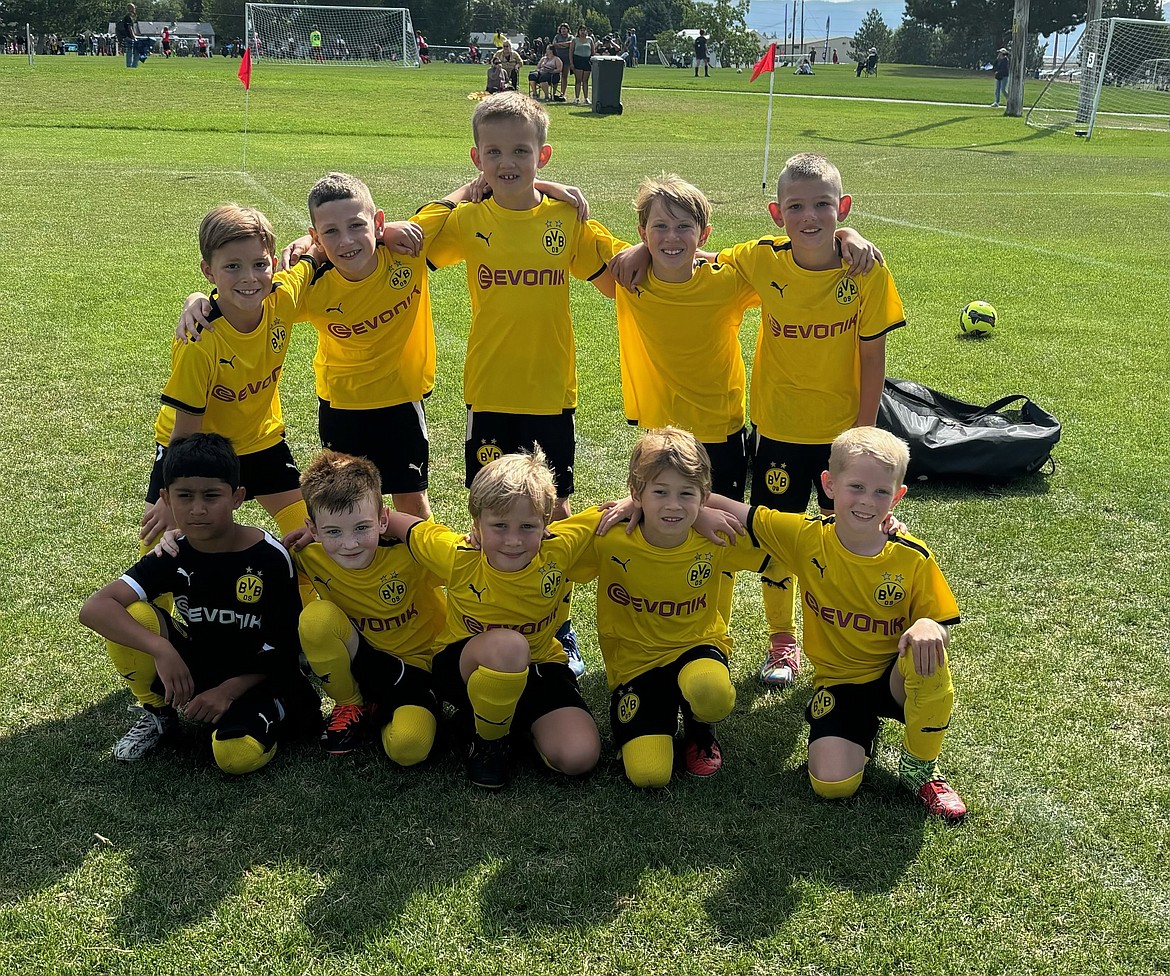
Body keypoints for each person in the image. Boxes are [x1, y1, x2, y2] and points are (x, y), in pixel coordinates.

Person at [412, 92, 621, 676]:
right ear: (476, 157)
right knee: (490, 511)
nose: (509, 160)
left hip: (551, 395)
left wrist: (570, 204)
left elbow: (617, 277)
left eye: (521, 150)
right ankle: (484, 612)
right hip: (490, 392)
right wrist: (460, 192)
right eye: (495, 151)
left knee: (550, 514)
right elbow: (410, 242)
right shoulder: (469, 220)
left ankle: (557, 623)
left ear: (543, 155)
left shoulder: (564, 220)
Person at [703, 427, 967, 822]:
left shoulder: (911, 556)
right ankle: (860, 730)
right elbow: (721, 504)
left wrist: (929, 624)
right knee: (832, 784)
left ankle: (920, 772)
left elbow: (940, 621)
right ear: (829, 484)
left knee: (927, 653)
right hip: (840, 682)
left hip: (895, 678)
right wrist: (645, 501)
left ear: (898, 496)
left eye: (881, 492)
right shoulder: (805, 537)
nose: (866, 501)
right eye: (856, 487)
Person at [713, 153, 902, 691]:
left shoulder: (864, 268)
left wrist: (863, 436)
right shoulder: (761, 260)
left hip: (843, 433)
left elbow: (872, 357)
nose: (810, 217)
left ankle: (836, 643)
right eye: (796, 206)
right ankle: (782, 639)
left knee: (848, 536)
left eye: (823, 205)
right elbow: (696, 258)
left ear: (842, 208)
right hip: (778, 428)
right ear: (777, 214)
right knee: (780, 537)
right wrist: (643, 248)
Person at [179, 174, 455, 524]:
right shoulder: (312, 285)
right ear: (316, 238)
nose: (347, 241)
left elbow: (459, 201)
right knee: (344, 506)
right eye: (331, 232)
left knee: (413, 502)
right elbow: (252, 297)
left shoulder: (407, 250)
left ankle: (423, 578)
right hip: (342, 406)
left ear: (377, 222)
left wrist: (389, 232)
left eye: (357, 226)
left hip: (402, 399)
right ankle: (350, 578)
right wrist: (199, 299)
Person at [79, 433, 320, 772]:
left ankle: (264, 715)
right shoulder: (174, 550)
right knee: (135, 615)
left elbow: (285, 647)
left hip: (260, 676)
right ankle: (157, 713)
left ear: (237, 497)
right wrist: (162, 650)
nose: (197, 509)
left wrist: (227, 691)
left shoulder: (268, 558)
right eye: (184, 496)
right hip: (199, 666)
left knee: (235, 757)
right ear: (166, 498)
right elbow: (94, 608)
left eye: (211, 495)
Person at [383, 449, 605, 789]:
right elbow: (405, 524)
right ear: (477, 526)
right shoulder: (457, 556)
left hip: (538, 664)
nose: (513, 540)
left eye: (527, 526)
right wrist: (326, 533)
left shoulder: (561, 547)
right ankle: (487, 742)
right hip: (462, 668)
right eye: (499, 526)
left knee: (578, 757)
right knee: (508, 646)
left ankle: (507, 722)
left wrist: (699, 515)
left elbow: (624, 509)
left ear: (546, 526)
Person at [570, 428, 771, 786]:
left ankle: (699, 726)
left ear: (704, 495)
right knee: (649, 774)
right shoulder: (607, 531)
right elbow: (541, 541)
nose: (673, 505)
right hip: (635, 663)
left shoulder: (717, 533)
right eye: (660, 492)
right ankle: (655, 713)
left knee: (710, 692)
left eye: (686, 494)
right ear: (636, 493)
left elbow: (793, 549)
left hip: (696, 647)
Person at [141, 205, 320, 556]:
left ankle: (306, 606)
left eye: (259, 264)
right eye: (232, 266)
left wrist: (307, 242)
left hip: (259, 441)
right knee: (159, 551)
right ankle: (153, 611)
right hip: (194, 450)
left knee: (311, 541)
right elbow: (185, 434)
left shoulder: (282, 296)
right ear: (208, 271)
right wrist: (169, 493)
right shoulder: (200, 340)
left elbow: (318, 250)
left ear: (272, 262)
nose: (250, 278)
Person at [295, 451, 447, 762]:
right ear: (313, 529)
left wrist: (400, 525)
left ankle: (385, 708)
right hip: (363, 661)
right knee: (315, 619)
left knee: (408, 749)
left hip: (419, 669)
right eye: (333, 532)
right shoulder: (306, 554)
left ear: (382, 520)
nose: (349, 544)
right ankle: (350, 703)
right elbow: (251, 561)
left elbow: (458, 554)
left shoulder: (411, 553)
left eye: (362, 528)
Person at [570, 24, 595, 104]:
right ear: (578, 31)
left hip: (587, 60)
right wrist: (571, 63)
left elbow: (593, 52)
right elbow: (571, 52)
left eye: (584, 30)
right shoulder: (575, 40)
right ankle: (577, 98)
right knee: (578, 80)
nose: (582, 32)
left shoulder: (590, 39)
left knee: (585, 80)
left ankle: (586, 98)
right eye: (581, 30)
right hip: (578, 60)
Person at [551, 22, 571, 101]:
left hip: (566, 59)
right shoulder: (557, 36)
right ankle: (554, 93)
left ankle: (563, 93)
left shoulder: (570, 37)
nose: (563, 30)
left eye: (564, 29)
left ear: (567, 30)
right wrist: (564, 45)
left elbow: (570, 44)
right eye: (562, 29)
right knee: (556, 75)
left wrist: (560, 45)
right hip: (557, 59)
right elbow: (554, 44)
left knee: (564, 76)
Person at [117, 3, 138, 68]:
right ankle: (131, 65)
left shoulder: (129, 17)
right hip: (129, 36)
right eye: (134, 8)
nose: (135, 9)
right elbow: (130, 28)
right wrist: (134, 36)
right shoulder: (128, 17)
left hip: (128, 36)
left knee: (130, 51)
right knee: (131, 51)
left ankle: (131, 65)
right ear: (131, 9)